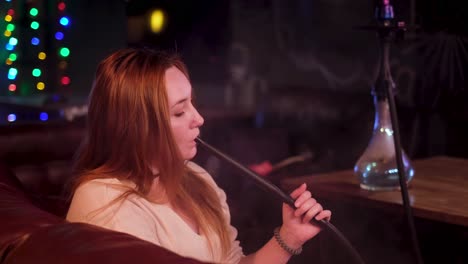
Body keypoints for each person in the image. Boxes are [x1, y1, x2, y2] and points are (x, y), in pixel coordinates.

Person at [66, 47, 331, 264]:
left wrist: (290, 237)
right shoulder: (104, 203)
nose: (199, 119)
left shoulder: (196, 178)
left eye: (192, 103)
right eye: (180, 112)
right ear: (137, 127)